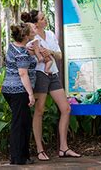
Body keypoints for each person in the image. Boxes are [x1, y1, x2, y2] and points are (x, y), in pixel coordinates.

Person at [21, 10, 81, 161]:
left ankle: (64, 148)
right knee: (39, 111)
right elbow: (29, 58)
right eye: (42, 18)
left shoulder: (51, 34)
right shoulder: (31, 40)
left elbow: (59, 55)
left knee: (66, 109)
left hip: (53, 74)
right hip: (40, 75)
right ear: (35, 24)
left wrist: (50, 52)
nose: (45, 19)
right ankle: (40, 150)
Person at [1, 22, 38, 165]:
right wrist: (30, 94)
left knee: (24, 122)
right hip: (19, 91)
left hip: (9, 89)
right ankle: (17, 158)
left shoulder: (13, 47)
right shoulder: (21, 53)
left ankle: (23, 155)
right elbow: (23, 74)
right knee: (19, 124)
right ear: (26, 36)